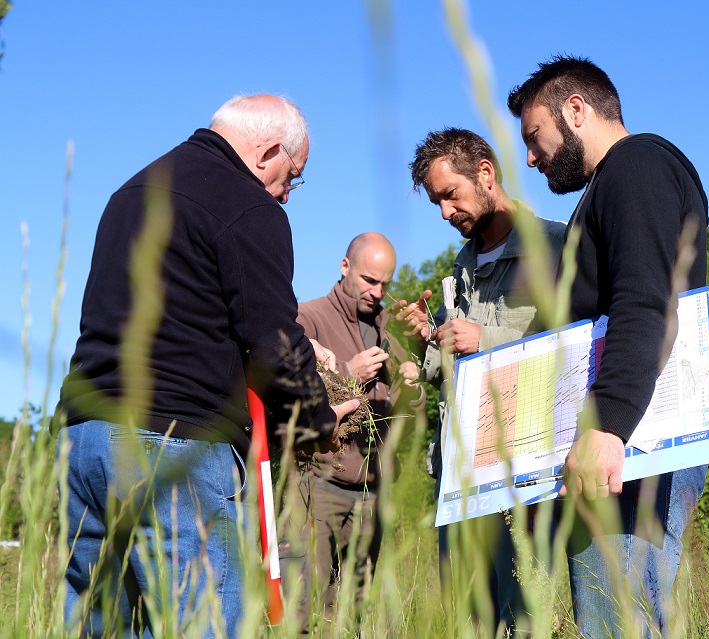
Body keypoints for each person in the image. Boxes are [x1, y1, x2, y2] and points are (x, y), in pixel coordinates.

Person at [55, 94, 358, 638]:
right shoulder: (246, 204)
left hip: (84, 442)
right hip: (173, 449)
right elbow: (273, 339)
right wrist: (316, 420)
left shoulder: (132, 191)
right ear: (267, 152)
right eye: (294, 176)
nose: (288, 194)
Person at [507, 56, 709, 638]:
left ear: (576, 110)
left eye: (534, 136)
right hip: (625, 438)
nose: (531, 156)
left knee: (621, 621)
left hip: (631, 441)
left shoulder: (636, 167)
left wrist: (607, 426)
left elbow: (645, 299)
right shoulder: (616, 180)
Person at [399, 127, 566, 634]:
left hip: (526, 480)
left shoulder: (557, 246)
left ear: (486, 174)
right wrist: (428, 340)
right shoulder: (463, 266)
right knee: (465, 622)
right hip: (459, 478)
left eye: (450, 195)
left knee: (525, 621)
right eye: (436, 203)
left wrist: (484, 339)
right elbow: (454, 372)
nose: (445, 213)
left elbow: (579, 353)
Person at [280, 232, 423, 626]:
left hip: (372, 496)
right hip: (317, 488)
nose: (377, 292)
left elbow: (406, 423)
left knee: (363, 616)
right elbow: (286, 385)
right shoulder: (306, 317)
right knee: (307, 612)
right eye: (369, 280)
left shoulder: (389, 334)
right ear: (345, 267)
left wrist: (412, 390)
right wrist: (347, 373)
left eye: (385, 284)